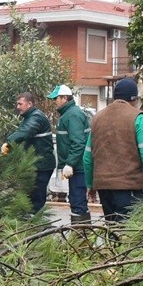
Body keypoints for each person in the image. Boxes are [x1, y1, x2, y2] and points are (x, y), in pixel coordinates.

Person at [84, 77, 143, 223]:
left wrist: (90, 185)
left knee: (113, 228)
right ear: (134, 99)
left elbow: (87, 157)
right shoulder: (138, 117)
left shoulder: (97, 118)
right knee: (128, 231)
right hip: (129, 186)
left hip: (104, 187)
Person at [2, 91, 56, 215]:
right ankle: (30, 219)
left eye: (20, 104)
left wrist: (8, 142)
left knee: (36, 197)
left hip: (41, 165)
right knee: (30, 196)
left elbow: (26, 132)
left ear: (30, 104)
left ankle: (34, 221)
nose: (18, 107)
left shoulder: (36, 117)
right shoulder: (29, 118)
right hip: (36, 164)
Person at [49, 84, 91, 223]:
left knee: (77, 202)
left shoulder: (72, 115)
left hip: (78, 168)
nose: (54, 101)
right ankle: (83, 230)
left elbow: (78, 142)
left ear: (64, 98)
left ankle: (80, 231)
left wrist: (70, 163)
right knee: (77, 200)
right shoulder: (69, 114)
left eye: (56, 98)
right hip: (77, 167)